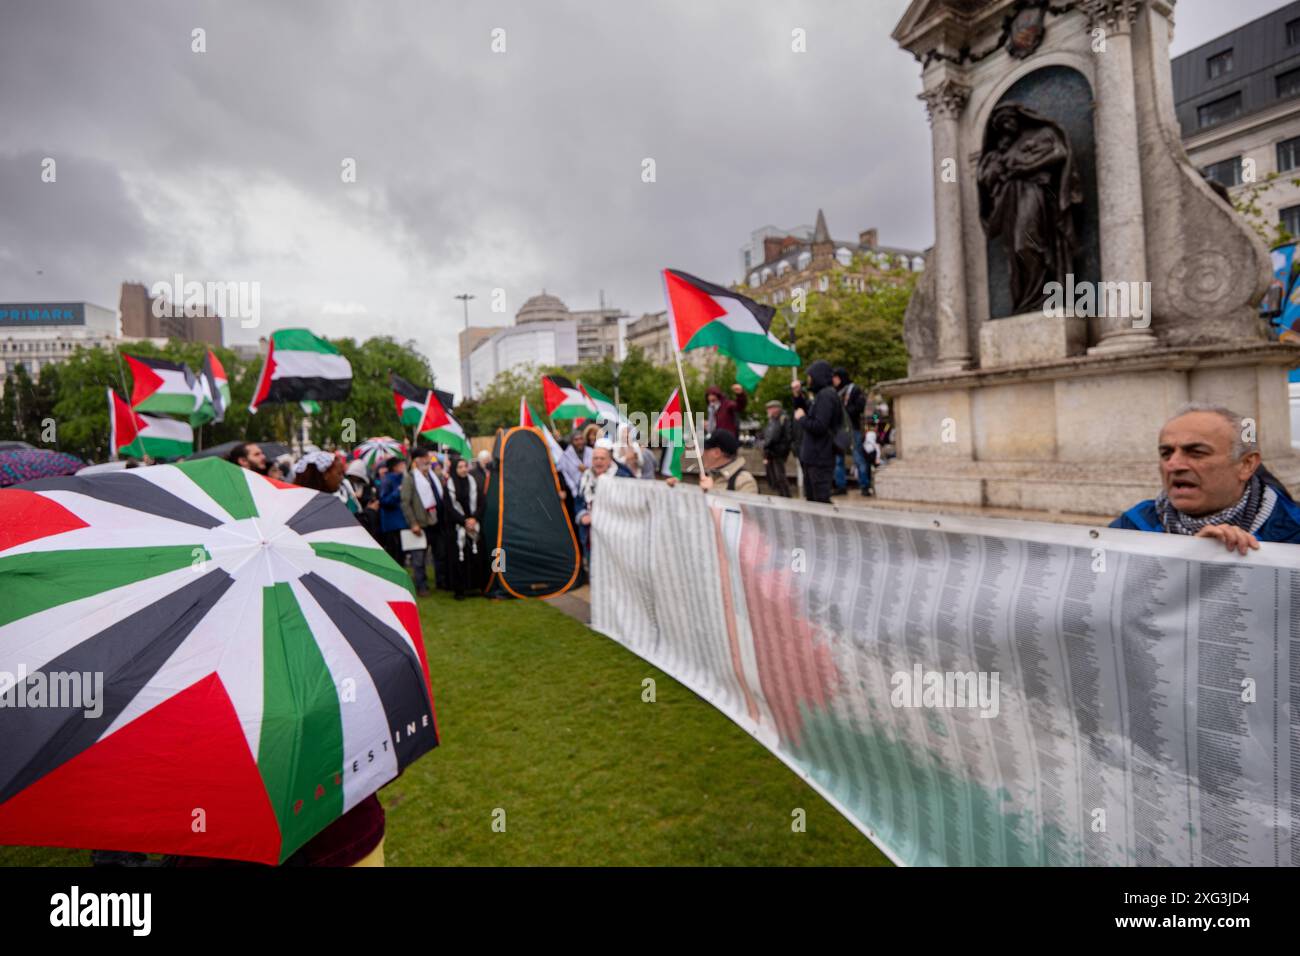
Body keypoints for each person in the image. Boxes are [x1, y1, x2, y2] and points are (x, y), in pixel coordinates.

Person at [1111, 403, 1300, 552]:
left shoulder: (1293, 530)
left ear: (1246, 465)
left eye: (1196, 452)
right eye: (1166, 453)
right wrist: (1193, 560)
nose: (1174, 465)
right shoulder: (1132, 525)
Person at [792, 360, 843, 504]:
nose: (808, 381)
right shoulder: (822, 395)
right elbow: (808, 410)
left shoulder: (826, 396)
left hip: (819, 458)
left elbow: (819, 426)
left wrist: (801, 419)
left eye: (810, 377)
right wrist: (797, 396)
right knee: (813, 500)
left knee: (820, 501)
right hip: (814, 457)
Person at [575, 437, 633, 563]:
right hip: (591, 534)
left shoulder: (623, 477)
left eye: (602, 458)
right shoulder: (586, 477)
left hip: (615, 535)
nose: (598, 461)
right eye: (595, 458)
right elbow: (579, 501)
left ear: (610, 460)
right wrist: (582, 515)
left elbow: (634, 501)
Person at [401, 447, 448, 596]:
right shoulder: (410, 478)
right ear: (417, 461)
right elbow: (405, 502)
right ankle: (421, 586)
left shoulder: (433, 476)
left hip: (437, 523)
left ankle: (441, 581)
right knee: (419, 558)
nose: (428, 461)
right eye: (425, 459)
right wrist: (413, 523)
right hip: (420, 524)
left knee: (440, 554)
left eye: (428, 459)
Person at [443, 455, 485, 599]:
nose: (463, 469)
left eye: (465, 466)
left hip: (474, 525)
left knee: (476, 557)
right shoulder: (449, 485)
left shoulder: (473, 482)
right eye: (460, 467)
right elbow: (449, 507)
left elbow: (481, 502)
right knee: (458, 560)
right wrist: (464, 521)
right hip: (457, 528)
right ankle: (460, 590)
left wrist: (474, 519)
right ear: (455, 469)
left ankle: (476, 585)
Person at [833, 367, 868, 496]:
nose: (834, 380)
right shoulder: (834, 392)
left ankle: (864, 485)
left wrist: (845, 412)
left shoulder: (854, 389)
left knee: (858, 457)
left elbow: (860, 406)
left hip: (852, 428)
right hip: (839, 430)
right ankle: (840, 485)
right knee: (838, 459)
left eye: (835, 377)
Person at [698, 429, 758, 494]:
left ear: (717, 453)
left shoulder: (744, 481)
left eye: (705, 450)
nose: (702, 454)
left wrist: (712, 492)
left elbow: (747, 504)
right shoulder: (712, 475)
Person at [378, 457, 409, 565]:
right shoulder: (387, 480)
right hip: (392, 524)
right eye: (402, 464)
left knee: (402, 554)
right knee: (394, 555)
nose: (404, 467)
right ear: (395, 467)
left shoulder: (404, 478)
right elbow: (384, 500)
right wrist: (397, 491)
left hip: (402, 522)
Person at [761, 399, 793, 497]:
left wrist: (778, 448)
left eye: (770, 408)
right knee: (774, 477)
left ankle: (786, 496)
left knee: (780, 476)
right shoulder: (772, 420)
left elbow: (776, 436)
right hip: (771, 452)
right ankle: (781, 495)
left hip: (778, 452)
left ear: (776, 409)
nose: (768, 411)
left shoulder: (782, 419)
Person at [558, 427, 591, 499]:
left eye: (581, 439)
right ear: (571, 441)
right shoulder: (565, 457)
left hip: (593, 489)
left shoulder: (591, 451)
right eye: (576, 440)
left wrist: (587, 470)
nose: (579, 442)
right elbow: (563, 474)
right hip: (575, 493)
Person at [860, 428, 879, 497]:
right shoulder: (865, 445)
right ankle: (868, 488)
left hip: (872, 462)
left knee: (871, 474)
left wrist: (877, 459)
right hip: (868, 463)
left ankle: (870, 488)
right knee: (868, 474)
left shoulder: (872, 446)